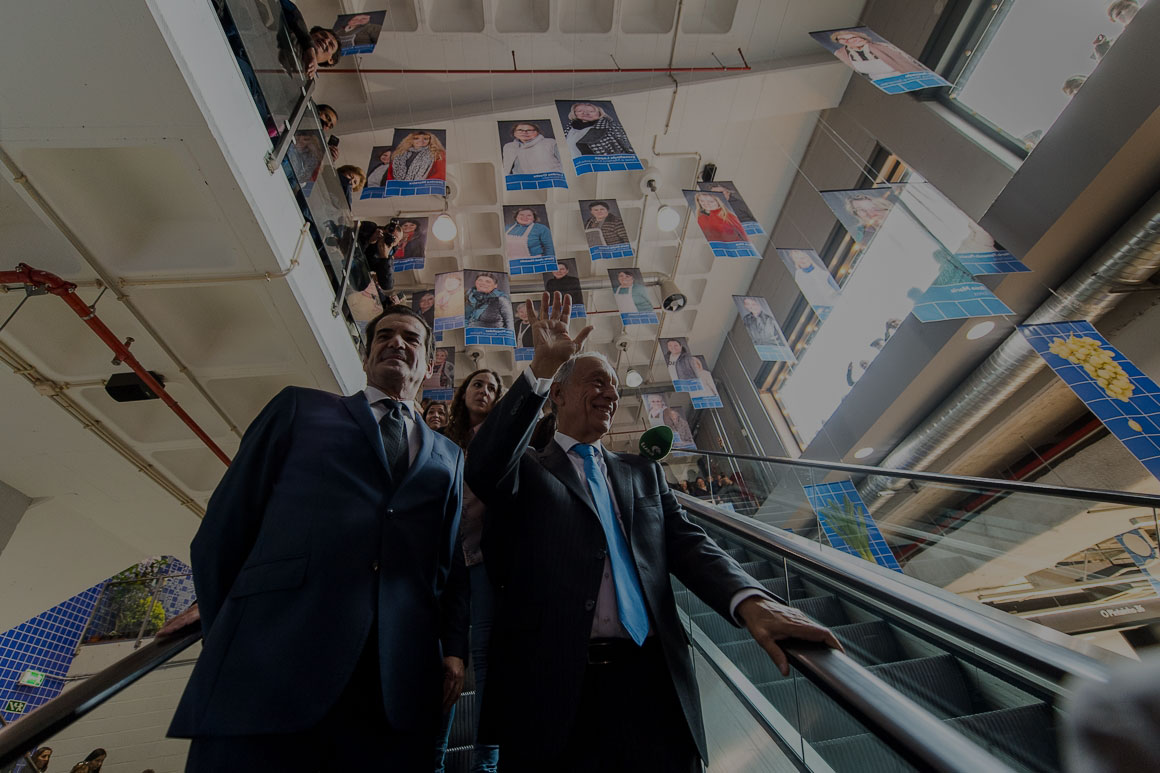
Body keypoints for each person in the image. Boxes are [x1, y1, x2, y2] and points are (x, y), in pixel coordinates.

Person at [464, 292, 839, 771]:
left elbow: (688, 543)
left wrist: (749, 600)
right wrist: (539, 369)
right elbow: (484, 465)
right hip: (553, 688)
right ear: (557, 394)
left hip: (654, 683)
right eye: (597, 381)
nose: (611, 393)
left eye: (616, 387)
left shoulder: (642, 472)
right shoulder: (525, 469)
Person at [166, 306, 468, 769]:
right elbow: (226, 524)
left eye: (411, 338)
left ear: (429, 365)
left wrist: (452, 649)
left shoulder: (448, 455)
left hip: (391, 687)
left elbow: (445, 565)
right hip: (270, 670)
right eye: (384, 335)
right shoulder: (299, 408)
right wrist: (227, 622)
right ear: (367, 357)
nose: (396, 342)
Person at [435, 369, 506, 773]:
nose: (484, 391)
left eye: (493, 388)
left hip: (484, 564)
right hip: (447, 565)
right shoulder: (444, 443)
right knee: (447, 661)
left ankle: (486, 762)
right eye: (478, 384)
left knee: (486, 661)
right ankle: (434, 759)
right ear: (463, 394)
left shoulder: (502, 444)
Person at [829, 29, 924, 81]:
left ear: (861, 37)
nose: (850, 41)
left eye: (853, 38)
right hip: (880, 83)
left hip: (903, 78)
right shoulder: (842, 54)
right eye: (844, 40)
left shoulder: (882, 47)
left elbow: (906, 61)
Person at [783, 250, 842, 317]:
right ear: (796, 263)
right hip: (823, 308)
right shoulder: (799, 276)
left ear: (807, 257)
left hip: (835, 300)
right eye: (798, 259)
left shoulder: (821, 271)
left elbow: (833, 286)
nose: (802, 261)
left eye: (803, 258)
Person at [563, 102, 633, 157]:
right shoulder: (570, 128)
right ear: (574, 113)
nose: (585, 113)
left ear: (600, 113)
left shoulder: (611, 126)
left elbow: (627, 147)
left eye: (591, 111)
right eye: (579, 111)